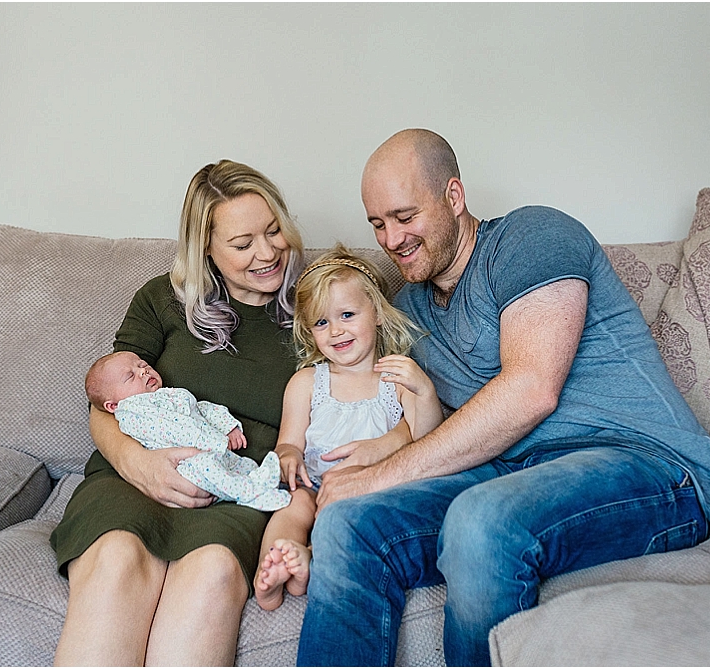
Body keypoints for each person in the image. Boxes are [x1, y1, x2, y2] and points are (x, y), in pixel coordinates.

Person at [295, 129, 710, 666]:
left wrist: (382, 474)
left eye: (406, 216)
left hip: (647, 465)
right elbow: (421, 412)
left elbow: (532, 389)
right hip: (512, 472)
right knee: (345, 523)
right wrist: (367, 460)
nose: (392, 238)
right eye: (378, 224)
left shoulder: (531, 236)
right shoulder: (411, 310)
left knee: (480, 523)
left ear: (453, 197)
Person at [51, 159, 405, 665]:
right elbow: (103, 404)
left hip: (245, 485)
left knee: (211, 571)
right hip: (134, 476)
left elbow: (387, 389)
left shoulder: (323, 303)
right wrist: (138, 465)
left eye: (273, 231)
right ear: (206, 251)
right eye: (242, 244)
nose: (268, 253)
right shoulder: (161, 301)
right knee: (115, 559)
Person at [250, 245, 442, 611]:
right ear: (309, 330)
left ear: (378, 314)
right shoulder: (307, 382)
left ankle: (308, 558)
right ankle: (274, 566)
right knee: (293, 506)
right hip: (315, 484)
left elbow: (426, 437)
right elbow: (288, 442)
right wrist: (288, 456)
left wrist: (425, 390)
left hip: (372, 488)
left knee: (345, 515)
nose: (336, 331)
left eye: (348, 314)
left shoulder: (395, 378)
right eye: (322, 322)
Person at [83, 351, 290, 512]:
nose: (143, 371)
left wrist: (229, 426)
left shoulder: (172, 394)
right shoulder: (130, 413)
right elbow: (160, 435)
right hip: (183, 463)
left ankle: (261, 478)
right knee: (214, 472)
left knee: (242, 464)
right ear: (112, 406)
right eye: (130, 376)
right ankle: (250, 494)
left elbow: (203, 408)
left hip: (216, 448)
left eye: (143, 365)